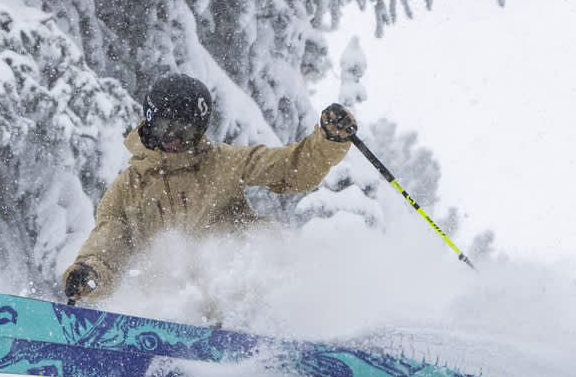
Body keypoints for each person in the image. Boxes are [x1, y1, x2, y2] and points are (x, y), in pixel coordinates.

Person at [60, 74, 358, 304]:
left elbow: (289, 168)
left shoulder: (223, 163)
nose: (174, 139)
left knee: (264, 235)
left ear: (200, 131)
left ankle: (287, 311)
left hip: (234, 299)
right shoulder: (129, 187)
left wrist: (327, 142)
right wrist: (91, 272)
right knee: (166, 270)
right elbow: (108, 241)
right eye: (166, 128)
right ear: (149, 124)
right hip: (171, 306)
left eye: (186, 131)